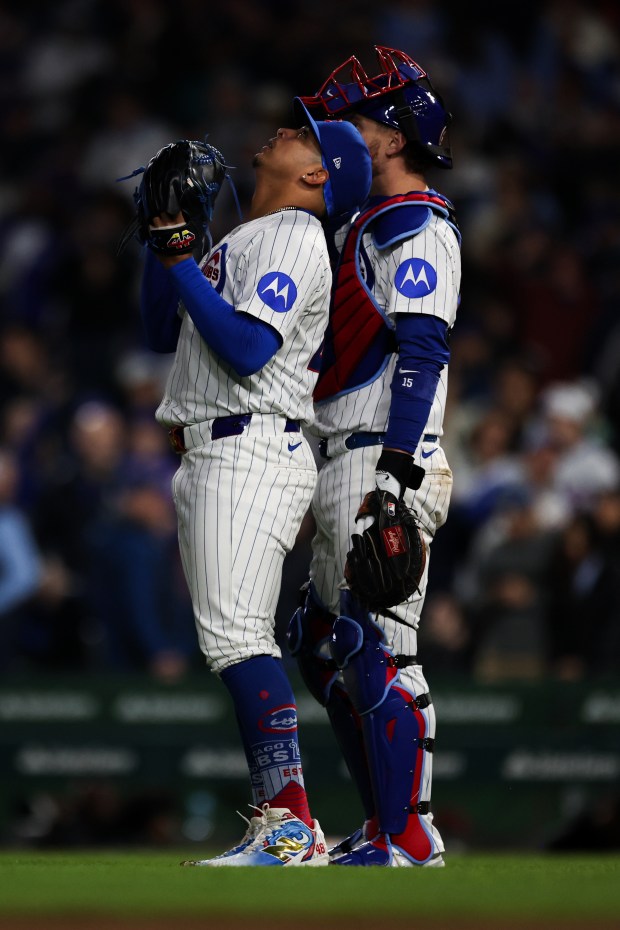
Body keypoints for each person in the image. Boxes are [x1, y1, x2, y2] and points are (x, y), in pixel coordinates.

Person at [137, 111, 372, 866]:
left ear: (317, 176)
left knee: (240, 640)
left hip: (249, 442)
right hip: (217, 449)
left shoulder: (297, 238)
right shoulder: (245, 236)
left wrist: (181, 254)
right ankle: (284, 821)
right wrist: (168, 232)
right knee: (232, 640)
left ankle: (291, 827)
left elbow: (245, 348)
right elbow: (155, 326)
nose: (279, 132)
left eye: (300, 135)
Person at [288, 46, 461, 867]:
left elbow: (422, 350)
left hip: (384, 451)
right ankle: (382, 824)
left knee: (380, 644)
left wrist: (395, 476)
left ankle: (411, 835)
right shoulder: (362, 220)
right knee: (324, 641)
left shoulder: (414, 221)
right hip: (341, 449)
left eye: (352, 123)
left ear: (390, 139)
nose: (335, 141)